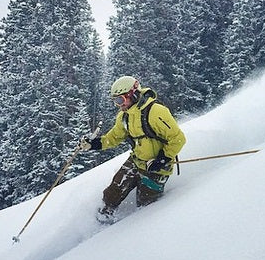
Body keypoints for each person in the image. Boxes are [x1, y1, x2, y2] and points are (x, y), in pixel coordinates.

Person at [79, 75, 186, 224]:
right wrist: (94, 144)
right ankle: (101, 222)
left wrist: (162, 159)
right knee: (112, 193)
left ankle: (132, 231)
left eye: (120, 100)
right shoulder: (124, 116)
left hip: (156, 168)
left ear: (133, 95)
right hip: (136, 161)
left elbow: (178, 139)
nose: (119, 105)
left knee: (145, 207)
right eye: (115, 101)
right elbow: (114, 137)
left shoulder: (156, 111)